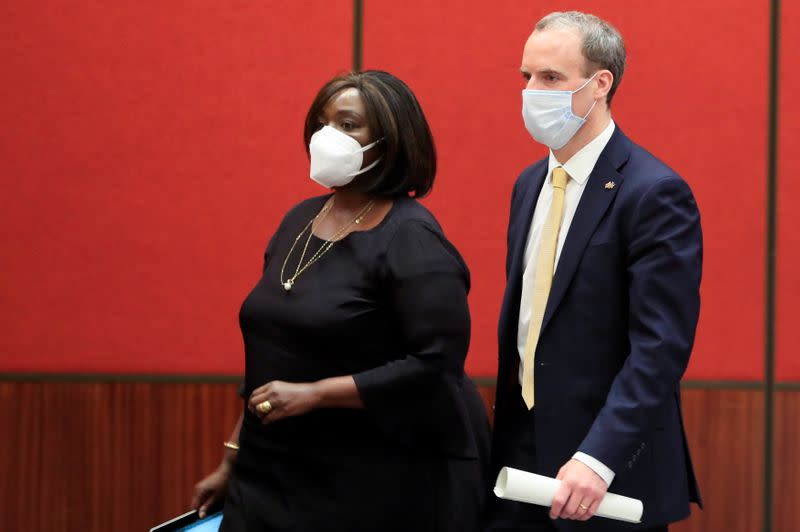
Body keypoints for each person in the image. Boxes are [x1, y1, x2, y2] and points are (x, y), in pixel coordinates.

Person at [190, 70, 491, 532]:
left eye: (348, 125)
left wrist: (316, 395)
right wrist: (233, 457)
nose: (329, 136)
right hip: (271, 470)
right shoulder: (299, 220)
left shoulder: (413, 239)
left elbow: (435, 365)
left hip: (372, 477)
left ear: (390, 140)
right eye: (322, 122)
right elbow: (272, 360)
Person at [485, 11, 702, 532]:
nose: (533, 92)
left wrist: (597, 458)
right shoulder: (529, 184)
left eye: (552, 79)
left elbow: (660, 346)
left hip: (605, 474)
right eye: (527, 77)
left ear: (600, 83)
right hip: (520, 461)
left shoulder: (653, 193)